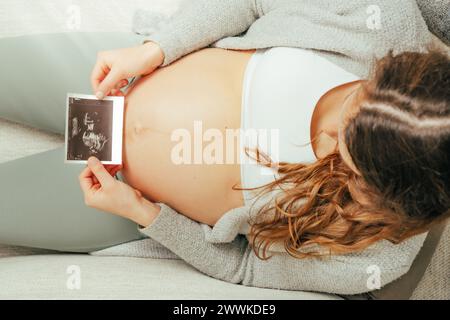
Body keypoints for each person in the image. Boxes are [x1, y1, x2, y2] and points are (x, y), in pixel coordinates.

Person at [0, 0, 448, 294]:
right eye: (348, 112)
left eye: (349, 168)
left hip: (109, 196)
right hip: (117, 76)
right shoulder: (381, 20)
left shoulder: (374, 255)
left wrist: (143, 214)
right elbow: (253, 1)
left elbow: (243, 269)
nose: (325, 138)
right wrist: (157, 49)